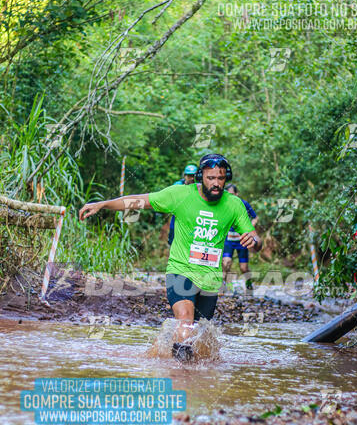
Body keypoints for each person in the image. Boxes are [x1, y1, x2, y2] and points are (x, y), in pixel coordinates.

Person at [79, 153, 261, 361]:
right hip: (180, 270)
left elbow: (256, 240)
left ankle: (163, 357)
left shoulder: (234, 204)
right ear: (201, 177)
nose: (216, 183)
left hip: (210, 278)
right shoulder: (180, 194)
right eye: (211, 178)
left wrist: (254, 241)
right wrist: (103, 204)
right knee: (185, 320)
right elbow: (140, 201)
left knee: (202, 335)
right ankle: (180, 376)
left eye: (220, 178)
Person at [222, 184, 258, 292]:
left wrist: (249, 229)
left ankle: (249, 284)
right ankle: (225, 287)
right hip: (229, 240)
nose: (230, 197)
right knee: (226, 262)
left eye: (232, 194)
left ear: (237, 194)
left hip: (242, 241)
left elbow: (255, 217)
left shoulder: (244, 204)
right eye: (228, 195)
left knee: (244, 268)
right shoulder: (223, 204)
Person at [168, 164, 198, 246]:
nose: (192, 178)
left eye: (193, 176)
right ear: (185, 176)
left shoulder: (199, 187)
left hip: (193, 216)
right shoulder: (178, 185)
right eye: (189, 176)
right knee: (173, 233)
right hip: (178, 214)